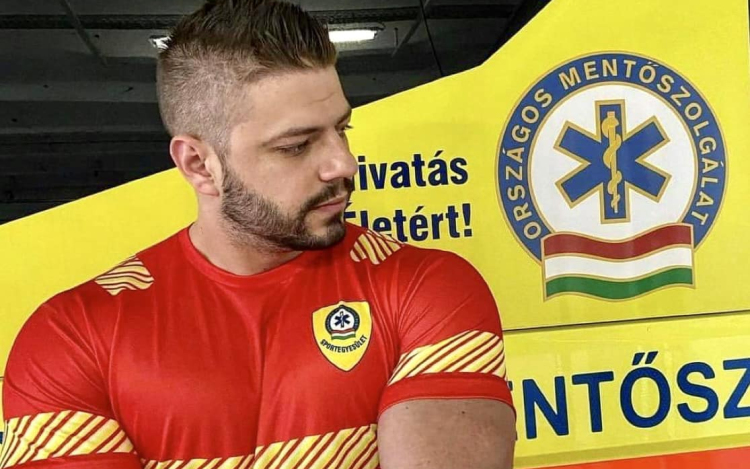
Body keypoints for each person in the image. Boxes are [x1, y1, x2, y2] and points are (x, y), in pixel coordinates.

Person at [0, 0, 516, 467]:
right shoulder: (72, 337)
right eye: (296, 146)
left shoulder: (425, 285)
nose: (343, 163)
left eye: (342, 129)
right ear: (198, 165)